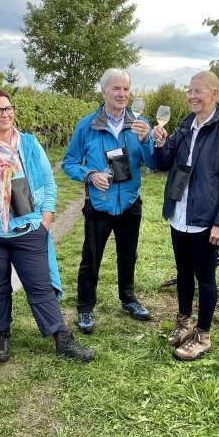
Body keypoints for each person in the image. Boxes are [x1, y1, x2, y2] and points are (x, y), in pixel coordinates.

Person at [0, 88, 95, 364]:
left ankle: (62, 338)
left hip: (26, 225)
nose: (5, 114)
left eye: (8, 108)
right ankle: (2, 335)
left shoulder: (28, 144)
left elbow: (49, 184)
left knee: (39, 283)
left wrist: (45, 220)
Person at [151, 71, 219, 361]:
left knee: (205, 277)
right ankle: (183, 323)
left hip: (205, 218)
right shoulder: (186, 124)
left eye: (197, 91)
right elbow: (164, 162)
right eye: (188, 91)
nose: (191, 96)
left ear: (215, 94)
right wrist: (159, 142)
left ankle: (202, 335)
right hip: (180, 212)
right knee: (183, 273)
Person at [63, 68, 157, 334]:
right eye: (116, 89)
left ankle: (128, 300)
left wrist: (146, 139)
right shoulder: (87, 125)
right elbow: (69, 163)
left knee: (128, 255)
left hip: (129, 202)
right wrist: (90, 174)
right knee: (91, 257)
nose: (122, 94)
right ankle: (84, 307)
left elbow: (152, 162)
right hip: (100, 204)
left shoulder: (140, 124)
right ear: (104, 91)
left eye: (126, 89)